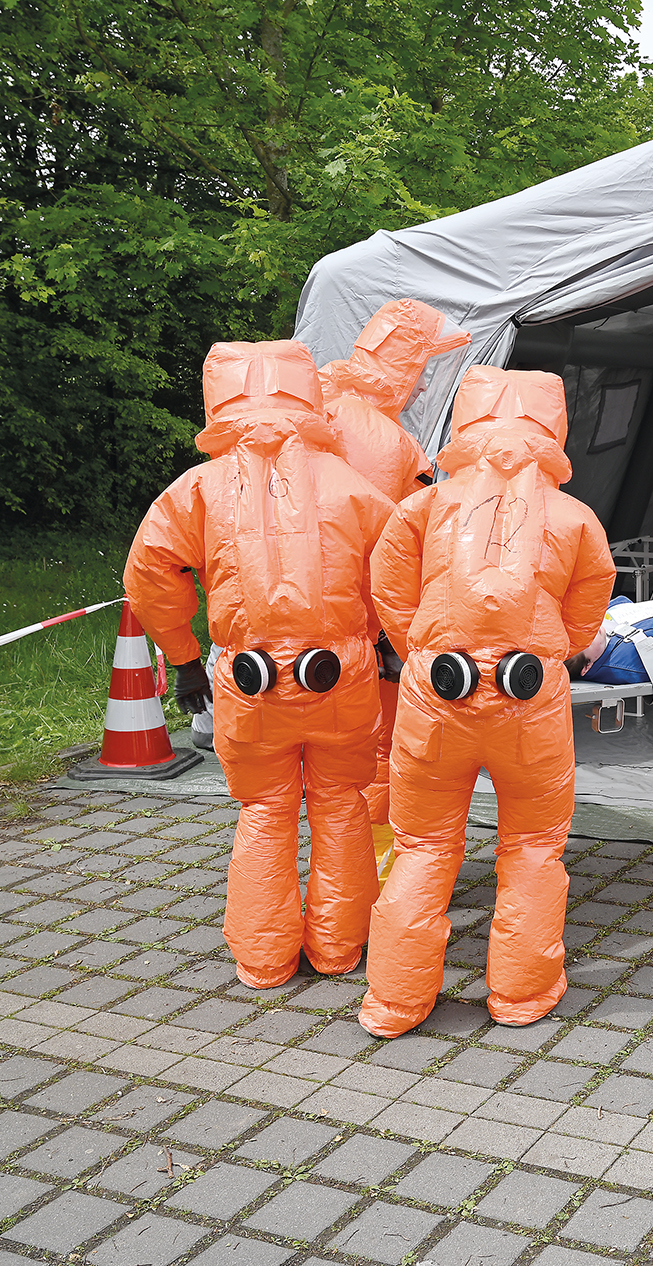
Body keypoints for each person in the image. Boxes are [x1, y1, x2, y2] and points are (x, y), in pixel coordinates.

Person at [125, 340, 393, 988]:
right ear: (309, 397)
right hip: (339, 677)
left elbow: (150, 572)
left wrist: (186, 660)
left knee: (265, 811)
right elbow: (399, 566)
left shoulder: (197, 491)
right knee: (340, 805)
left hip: (249, 685)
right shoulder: (350, 486)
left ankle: (264, 958)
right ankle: (339, 948)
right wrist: (385, 639)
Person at [360, 366, 615, 1038]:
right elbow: (588, 610)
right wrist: (549, 651)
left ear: (462, 425)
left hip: (435, 694)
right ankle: (522, 994)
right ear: (551, 428)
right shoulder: (573, 517)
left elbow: (389, 590)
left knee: (422, 846)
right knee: (532, 846)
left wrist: (423, 651)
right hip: (528, 699)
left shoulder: (422, 508)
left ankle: (395, 1000)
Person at [318, 299, 472, 883]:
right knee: (378, 750)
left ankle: (344, 881)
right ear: (402, 362)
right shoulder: (382, 440)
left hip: (305, 621)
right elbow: (391, 544)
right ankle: (376, 874)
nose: (429, 380)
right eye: (425, 364)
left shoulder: (323, 404)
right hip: (366, 624)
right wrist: (392, 631)